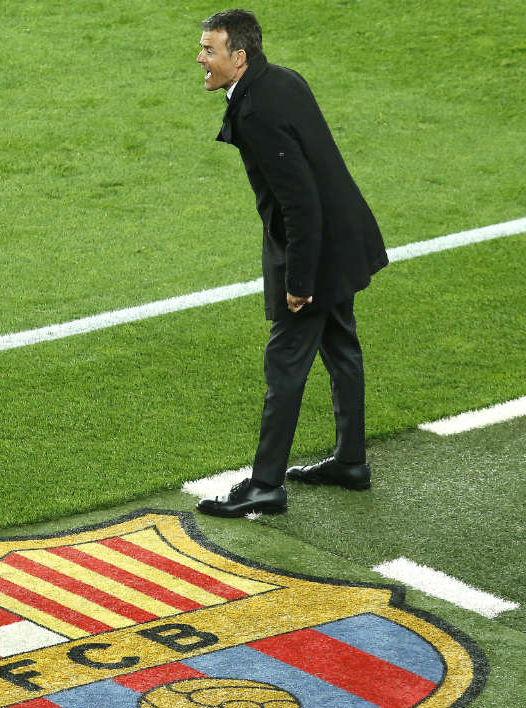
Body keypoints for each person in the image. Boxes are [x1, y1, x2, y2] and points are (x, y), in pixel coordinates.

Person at [194, 9, 388, 518]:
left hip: (316, 250)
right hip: (341, 238)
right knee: (341, 344)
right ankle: (349, 462)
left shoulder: (257, 110)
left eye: (209, 50)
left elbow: (300, 203)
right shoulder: (280, 78)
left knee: (285, 363)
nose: (200, 59)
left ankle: (265, 485)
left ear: (239, 57)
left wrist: (300, 281)